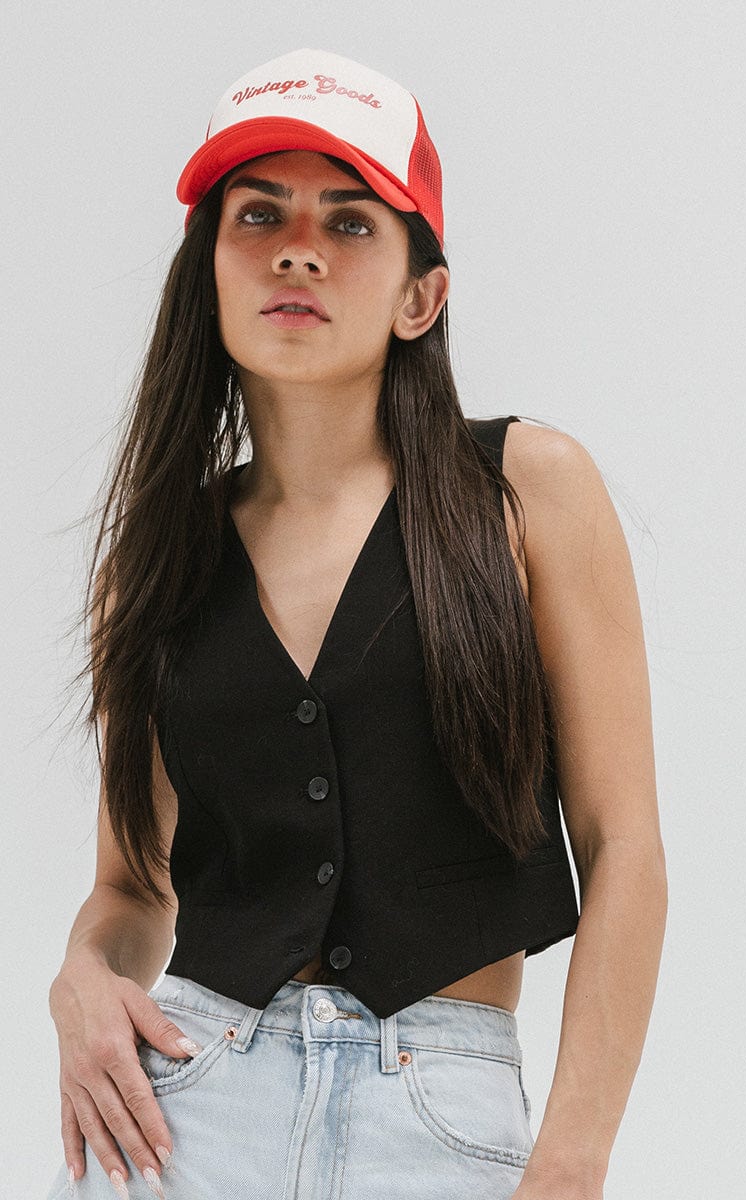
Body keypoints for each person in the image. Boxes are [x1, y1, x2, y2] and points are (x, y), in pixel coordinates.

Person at [44, 48, 667, 1200]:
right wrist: (78, 982)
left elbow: (623, 844)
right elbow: (132, 887)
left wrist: (573, 1160)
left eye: (350, 223)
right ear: (210, 271)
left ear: (420, 293)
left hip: (438, 1113)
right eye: (258, 215)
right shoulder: (157, 551)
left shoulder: (527, 490)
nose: (297, 248)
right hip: (184, 1106)